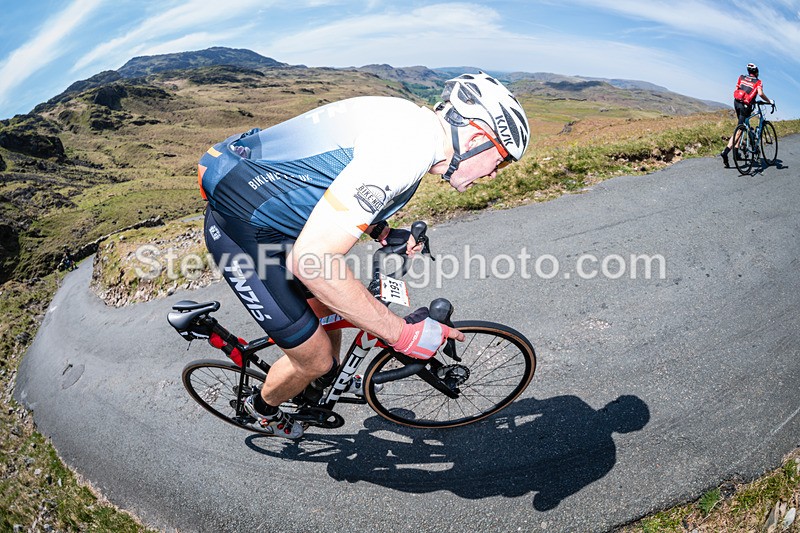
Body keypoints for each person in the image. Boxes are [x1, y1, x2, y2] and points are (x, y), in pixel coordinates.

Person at [197, 72, 530, 438]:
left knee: (330, 318)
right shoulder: (405, 152)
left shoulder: (413, 126)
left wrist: (382, 230)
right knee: (317, 358)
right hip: (242, 234)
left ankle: (309, 387)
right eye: (501, 161)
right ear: (477, 138)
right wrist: (401, 334)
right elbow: (313, 262)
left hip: (281, 223)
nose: (495, 175)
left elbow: (329, 183)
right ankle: (262, 408)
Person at [720, 63, 773, 167]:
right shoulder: (758, 82)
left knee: (741, 126)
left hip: (736, 102)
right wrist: (769, 101)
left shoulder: (741, 77)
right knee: (739, 130)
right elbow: (760, 94)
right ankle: (725, 152)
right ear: (756, 72)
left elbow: (738, 89)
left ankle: (736, 154)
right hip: (746, 105)